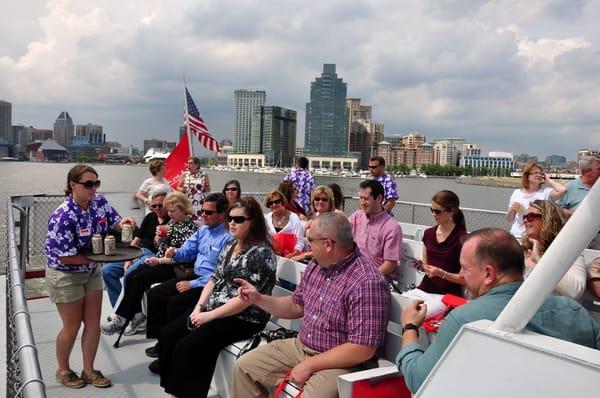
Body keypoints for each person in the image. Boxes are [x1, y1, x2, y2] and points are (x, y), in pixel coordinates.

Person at [396, 228, 600, 393]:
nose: (461, 275)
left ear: (488, 274)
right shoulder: (573, 311)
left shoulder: (464, 321)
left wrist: (410, 327)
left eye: (465, 269)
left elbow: (418, 380)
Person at [231, 212, 391, 398]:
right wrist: (258, 299)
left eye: (310, 240)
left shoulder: (366, 282)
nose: (307, 245)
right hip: (302, 347)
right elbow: (296, 305)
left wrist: (309, 365)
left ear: (328, 244)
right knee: (245, 367)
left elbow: (362, 348)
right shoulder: (317, 265)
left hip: (344, 363)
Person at [158, 197, 277, 398]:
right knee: (170, 334)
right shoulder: (231, 245)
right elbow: (214, 279)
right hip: (216, 308)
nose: (232, 223)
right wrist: (199, 307)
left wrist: (209, 316)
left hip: (244, 317)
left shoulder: (262, 253)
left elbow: (246, 300)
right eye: (230, 218)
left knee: (188, 347)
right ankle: (174, 391)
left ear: (253, 221)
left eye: (239, 220)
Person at [45, 164, 135, 389]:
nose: (93, 188)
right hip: (65, 274)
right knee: (72, 326)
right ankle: (63, 370)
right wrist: (100, 259)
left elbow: (115, 221)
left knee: (93, 323)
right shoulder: (63, 216)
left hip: (90, 271)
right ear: (72, 185)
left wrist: (125, 222)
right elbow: (65, 257)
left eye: (96, 183)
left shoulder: (99, 203)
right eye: (88, 184)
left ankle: (88, 370)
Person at [144, 193, 232, 361]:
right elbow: (187, 251)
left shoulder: (228, 238)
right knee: (156, 294)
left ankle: (172, 349)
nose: (203, 215)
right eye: (203, 211)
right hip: (195, 277)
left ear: (222, 214)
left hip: (209, 286)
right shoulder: (203, 230)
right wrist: (175, 252)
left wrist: (192, 284)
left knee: (175, 304)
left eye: (208, 212)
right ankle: (163, 341)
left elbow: (220, 275)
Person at [101, 191, 198, 336]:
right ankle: (131, 315)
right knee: (132, 276)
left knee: (140, 278)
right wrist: (159, 240)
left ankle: (122, 319)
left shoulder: (191, 228)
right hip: (160, 261)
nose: (170, 214)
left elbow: (183, 257)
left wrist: (158, 260)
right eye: (169, 210)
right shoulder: (171, 223)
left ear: (184, 209)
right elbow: (161, 247)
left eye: (173, 211)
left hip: (174, 267)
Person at [402, 190, 468, 316]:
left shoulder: (462, 239)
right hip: (424, 289)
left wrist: (442, 274)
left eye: (437, 211)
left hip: (447, 295)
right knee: (395, 305)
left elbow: (464, 279)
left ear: (451, 212)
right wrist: (421, 266)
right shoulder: (428, 234)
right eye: (431, 210)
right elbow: (427, 266)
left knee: (416, 314)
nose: (433, 214)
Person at [102, 190, 170, 309]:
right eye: (154, 206)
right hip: (139, 252)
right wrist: (129, 259)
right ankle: (120, 310)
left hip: (154, 256)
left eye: (161, 205)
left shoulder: (172, 220)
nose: (157, 208)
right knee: (107, 271)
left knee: (129, 274)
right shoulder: (150, 217)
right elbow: (137, 240)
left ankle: (129, 311)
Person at [522, 200, 586, 300]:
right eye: (524, 217)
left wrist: (539, 261)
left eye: (531, 216)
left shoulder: (569, 251)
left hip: (554, 311)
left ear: (548, 219)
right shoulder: (522, 249)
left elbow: (575, 291)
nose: (526, 220)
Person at [348, 180, 401, 277]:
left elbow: (389, 265)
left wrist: (367, 278)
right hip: (352, 273)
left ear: (379, 198)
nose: (362, 203)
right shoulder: (356, 216)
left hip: (375, 278)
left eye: (366, 199)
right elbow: (339, 234)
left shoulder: (391, 227)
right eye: (361, 198)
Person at [506, 162, 566, 239]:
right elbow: (509, 218)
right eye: (535, 173)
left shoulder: (546, 192)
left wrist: (549, 180)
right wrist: (512, 209)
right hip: (517, 235)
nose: (539, 175)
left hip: (537, 237)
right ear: (527, 176)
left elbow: (563, 190)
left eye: (541, 173)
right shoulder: (517, 193)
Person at [264, 189, 305, 257]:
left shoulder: (294, 218)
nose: (274, 205)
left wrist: (294, 253)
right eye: (270, 203)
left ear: (282, 202)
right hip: (271, 255)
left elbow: (300, 241)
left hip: (290, 256)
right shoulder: (267, 219)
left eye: (277, 202)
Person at [177, 156, 211, 223]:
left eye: (191, 163)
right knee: (188, 222)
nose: (188, 165)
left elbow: (208, 189)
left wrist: (205, 187)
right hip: (188, 203)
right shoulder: (185, 174)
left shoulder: (204, 174)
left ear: (197, 164)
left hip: (200, 203)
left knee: (200, 222)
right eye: (188, 163)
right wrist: (182, 190)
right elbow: (178, 187)